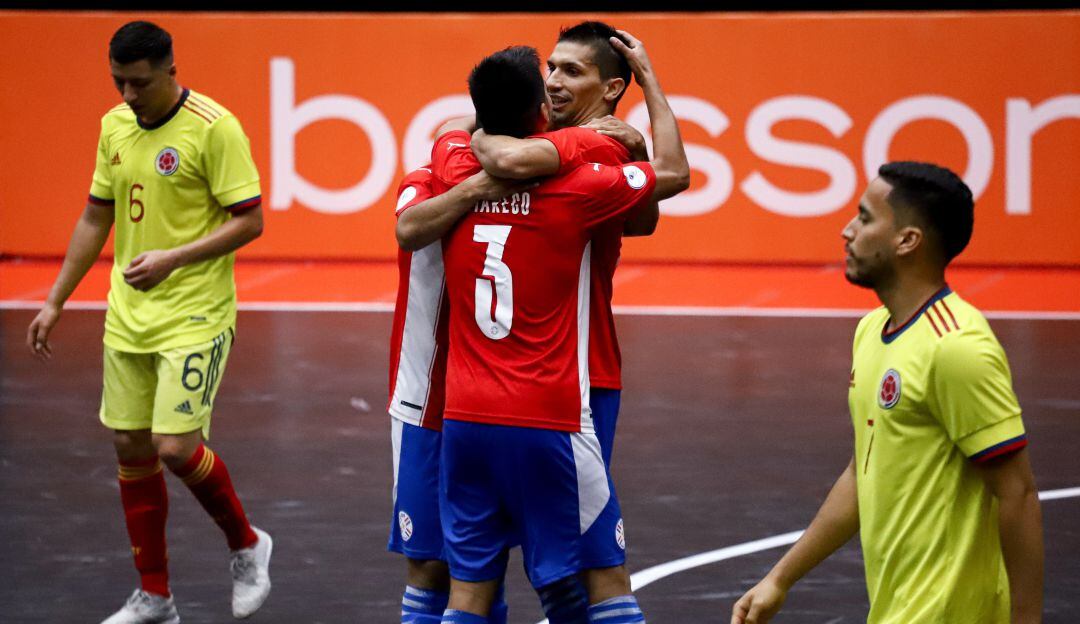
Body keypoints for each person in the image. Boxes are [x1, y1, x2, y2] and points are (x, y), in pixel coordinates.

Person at [396, 23, 659, 619]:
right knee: (595, 571)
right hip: (550, 403)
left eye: (570, 70)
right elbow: (670, 179)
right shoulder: (581, 177)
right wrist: (641, 127)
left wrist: (479, 141)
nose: (557, 82)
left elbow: (449, 148)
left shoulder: (456, 163)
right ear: (539, 105)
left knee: (479, 580)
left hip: (474, 406)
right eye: (551, 74)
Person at [25, 21, 272, 623]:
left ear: (169, 71)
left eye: (138, 83)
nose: (127, 96)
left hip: (195, 311)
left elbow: (251, 221)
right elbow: (94, 216)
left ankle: (247, 544)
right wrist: (57, 299)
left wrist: (173, 258)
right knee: (131, 446)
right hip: (128, 314)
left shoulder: (215, 129)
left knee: (175, 447)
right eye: (118, 82)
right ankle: (155, 596)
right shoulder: (114, 125)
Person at [730, 162, 1044, 624]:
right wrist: (780, 578)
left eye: (865, 217)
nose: (848, 230)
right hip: (894, 606)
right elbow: (865, 470)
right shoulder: (872, 330)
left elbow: (1016, 493)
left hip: (950, 610)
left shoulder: (956, 348)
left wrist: (1027, 619)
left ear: (907, 240)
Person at [388, 166, 531, 624]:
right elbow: (409, 229)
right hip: (425, 401)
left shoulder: (541, 182)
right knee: (429, 564)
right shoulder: (427, 181)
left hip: (502, 398)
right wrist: (477, 188)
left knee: (485, 562)